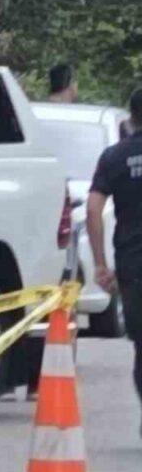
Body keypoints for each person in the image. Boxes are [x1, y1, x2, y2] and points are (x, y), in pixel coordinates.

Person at [88, 87, 142, 435]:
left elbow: (93, 209)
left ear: (131, 117)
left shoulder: (114, 156)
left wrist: (100, 264)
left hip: (133, 265)